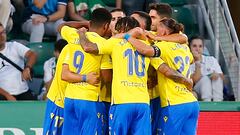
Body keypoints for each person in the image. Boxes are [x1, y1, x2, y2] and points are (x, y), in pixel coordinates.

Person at [78, 16, 193, 135]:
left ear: (121, 30)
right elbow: (165, 68)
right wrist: (185, 80)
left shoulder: (115, 42)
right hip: (143, 103)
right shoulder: (146, 45)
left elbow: (88, 47)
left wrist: (81, 33)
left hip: (121, 102)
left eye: (116, 30)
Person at [123, 18, 199, 135]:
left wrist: (127, 37)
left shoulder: (162, 47)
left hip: (174, 103)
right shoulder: (184, 47)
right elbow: (191, 59)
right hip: (191, 103)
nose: (155, 32)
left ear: (163, 31)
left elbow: (145, 49)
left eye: (157, 29)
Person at [61, 8, 112, 135]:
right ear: (106, 26)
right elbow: (106, 78)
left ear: (90, 23)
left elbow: (62, 26)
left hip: (70, 98)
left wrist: (83, 25)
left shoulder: (74, 36)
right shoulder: (103, 44)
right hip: (89, 98)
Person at [42, 22, 92, 134]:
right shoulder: (71, 47)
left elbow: (61, 26)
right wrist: (86, 78)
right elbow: (65, 75)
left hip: (80, 104)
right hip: (60, 102)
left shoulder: (103, 45)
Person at [0, 23, 37, 101]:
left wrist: (28, 68)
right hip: (2, 95)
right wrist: (7, 95)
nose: (2, 36)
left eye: (3, 32)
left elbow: (32, 54)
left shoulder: (14, 46)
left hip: (23, 92)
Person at [189, 36, 224, 101]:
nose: (197, 49)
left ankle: (218, 102)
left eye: (200, 46)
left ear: (203, 48)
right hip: (197, 92)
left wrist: (216, 75)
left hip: (214, 90)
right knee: (205, 79)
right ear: (189, 48)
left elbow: (222, 77)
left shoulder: (211, 59)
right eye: (194, 46)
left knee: (217, 78)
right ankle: (207, 103)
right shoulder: (187, 62)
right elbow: (195, 81)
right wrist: (197, 62)